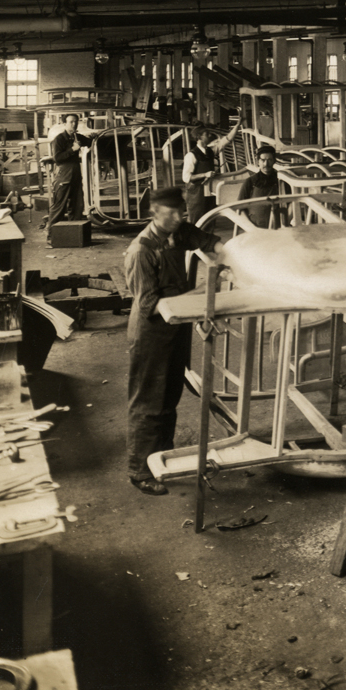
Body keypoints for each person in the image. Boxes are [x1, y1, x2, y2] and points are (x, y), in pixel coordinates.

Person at [121, 185, 224, 494]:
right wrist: (201, 294)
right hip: (151, 332)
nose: (181, 217)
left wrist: (234, 255)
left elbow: (208, 241)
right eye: (173, 213)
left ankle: (162, 457)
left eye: (183, 211)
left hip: (175, 325)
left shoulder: (178, 232)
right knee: (149, 400)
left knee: (170, 395)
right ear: (155, 214)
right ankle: (139, 471)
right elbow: (148, 304)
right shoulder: (142, 250)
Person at [181, 120, 240, 223]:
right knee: (196, 220)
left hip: (209, 189)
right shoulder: (191, 155)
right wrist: (205, 174)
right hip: (196, 192)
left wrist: (237, 125)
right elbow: (186, 178)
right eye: (207, 134)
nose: (210, 135)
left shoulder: (210, 151)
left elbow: (227, 140)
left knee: (210, 218)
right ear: (199, 137)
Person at [42, 114, 92, 233]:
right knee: (59, 205)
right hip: (63, 173)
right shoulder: (59, 139)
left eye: (76, 122)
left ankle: (73, 232)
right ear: (65, 124)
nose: (74, 124)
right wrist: (72, 150)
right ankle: (51, 233)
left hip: (75, 173)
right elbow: (57, 158)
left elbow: (89, 141)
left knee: (76, 205)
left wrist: (93, 137)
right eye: (71, 122)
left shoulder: (77, 137)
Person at [237, 143, 282, 229]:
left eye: (269, 160)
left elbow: (291, 203)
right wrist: (249, 227)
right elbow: (239, 207)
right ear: (258, 161)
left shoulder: (281, 180)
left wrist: (284, 223)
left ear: (274, 161)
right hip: (255, 229)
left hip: (277, 228)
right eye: (263, 160)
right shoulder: (250, 181)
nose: (266, 164)